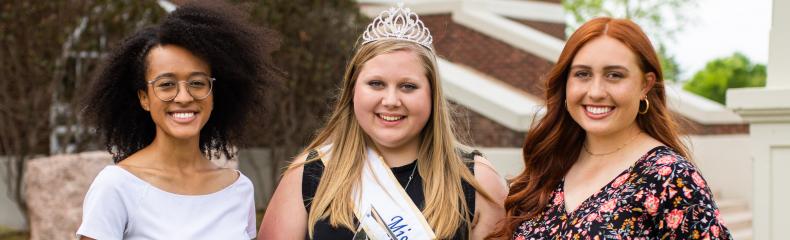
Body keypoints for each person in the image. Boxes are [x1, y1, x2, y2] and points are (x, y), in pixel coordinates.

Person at [259, 3, 507, 240]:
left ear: (432, 95)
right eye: (376, 84)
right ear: (353, 91)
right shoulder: (309, 173)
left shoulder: (476, 180)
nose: (391, 100)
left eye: (408, 86)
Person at [492, 17, 732, 239]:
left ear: (645, 85)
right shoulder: (550, 165)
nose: (596, 92)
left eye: (614, 75)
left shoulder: (670, 177)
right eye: (582, 74)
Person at [77, 1, 278, 239]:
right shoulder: (116, 186)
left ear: (214, 94)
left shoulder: (238, 189)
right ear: (144, 98)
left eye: (197, 83)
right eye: (166, 84)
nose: (183, 97)